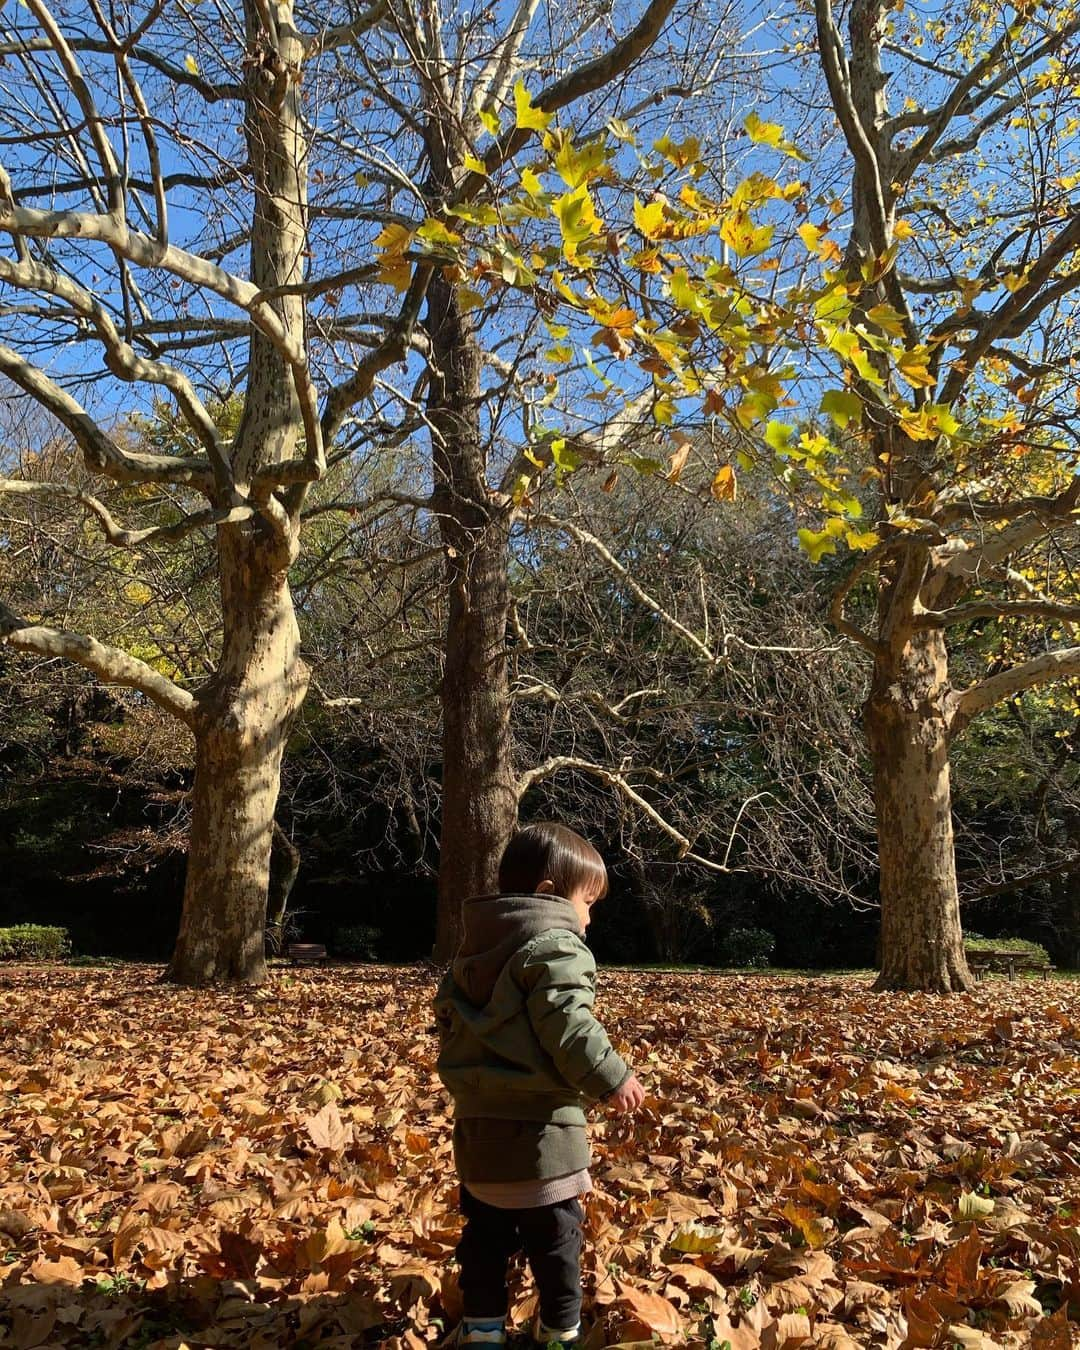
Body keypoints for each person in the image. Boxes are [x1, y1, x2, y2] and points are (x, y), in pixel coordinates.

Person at [434, 822, 646, 1349]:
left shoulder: (471, 954)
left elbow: (450, 1024)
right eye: (587, 901)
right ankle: (559, 1328)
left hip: (477, 1135)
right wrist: (612, 1077)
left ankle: (482, 1329)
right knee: (556, 1240)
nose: (590, 917)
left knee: (483, 1239)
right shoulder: (556, 946)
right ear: (550, 894)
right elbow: (570, 1026)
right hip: (542, 1137)